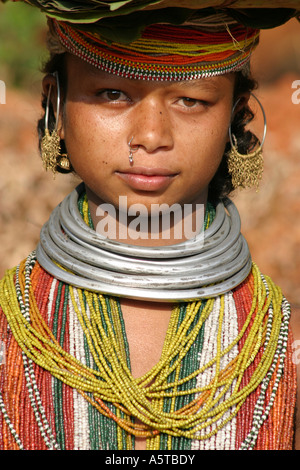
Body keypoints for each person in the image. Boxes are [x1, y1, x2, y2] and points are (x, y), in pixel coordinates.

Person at [0, 0, 299, 451]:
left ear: (236, 114)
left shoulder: (279, 350)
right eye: (112, 94)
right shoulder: (11, 332)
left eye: (191, 100)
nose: (152, 136)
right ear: (55, 103)